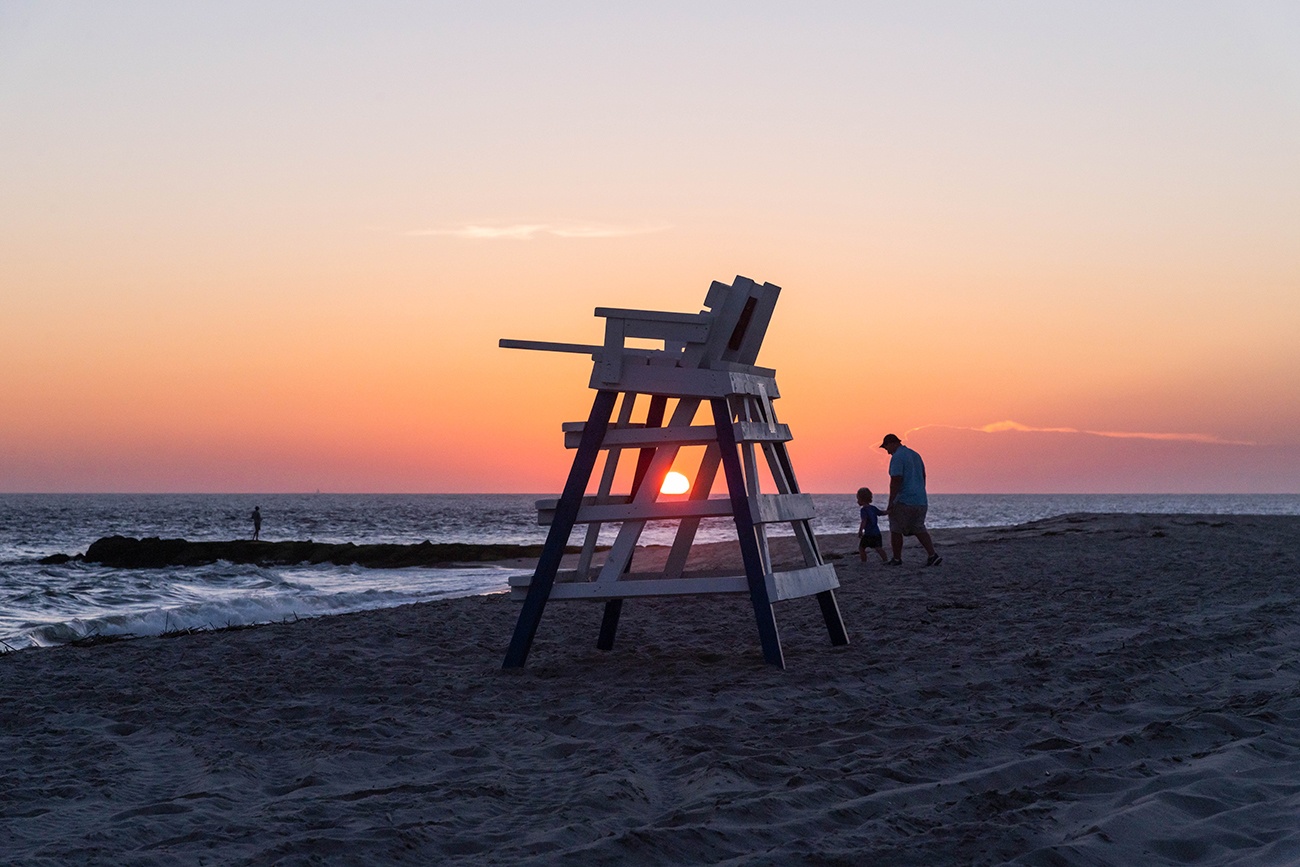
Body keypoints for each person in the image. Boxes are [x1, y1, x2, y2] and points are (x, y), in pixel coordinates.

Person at [879, 433, 942, 566]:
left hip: (904, 500)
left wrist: (891, 502)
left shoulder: (897, 457)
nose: (887, 452)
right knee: (919, 528)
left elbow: (896, 480)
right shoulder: (915, 455)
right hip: (920, 500)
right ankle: (932, 554)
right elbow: (923, 476)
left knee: (895, 528)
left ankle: (896, 558)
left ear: (891, 443)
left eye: (886, 448)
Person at [856, 487, 889, 564]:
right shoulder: (873, 508)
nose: (857, 501)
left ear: (861, 499)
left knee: (861, 548)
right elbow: (881, 513)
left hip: (869, 534)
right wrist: (889, 511)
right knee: (879, 548)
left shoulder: (863, 510)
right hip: (877, 533)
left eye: (858, 499)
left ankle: (863, 561)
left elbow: (864, 521)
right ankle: (885, 560)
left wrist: (860, 530)